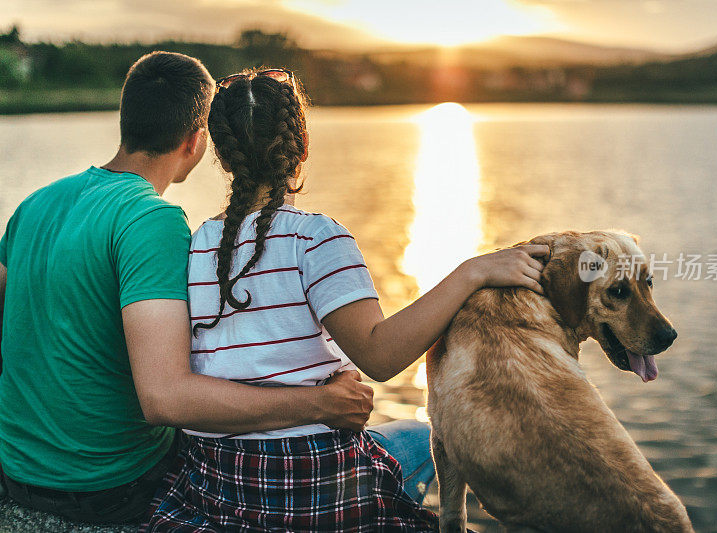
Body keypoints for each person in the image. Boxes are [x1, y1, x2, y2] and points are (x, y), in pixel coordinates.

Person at [143, 68, 550, 531]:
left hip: (222, 479)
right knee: (421, 436)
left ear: (222, 154)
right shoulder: (316, 238)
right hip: (312, 477)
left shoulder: (197, 243)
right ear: (302, 147)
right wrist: (471, 272)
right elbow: (379, 356)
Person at [0, 52, 374, 524]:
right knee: (389, 443)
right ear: (197, 141)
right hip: (113, 485)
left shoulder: (37, 203)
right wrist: (322, 403)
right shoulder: (150, 220)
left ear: (127, 119)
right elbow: (165, 399)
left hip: (19, 472)